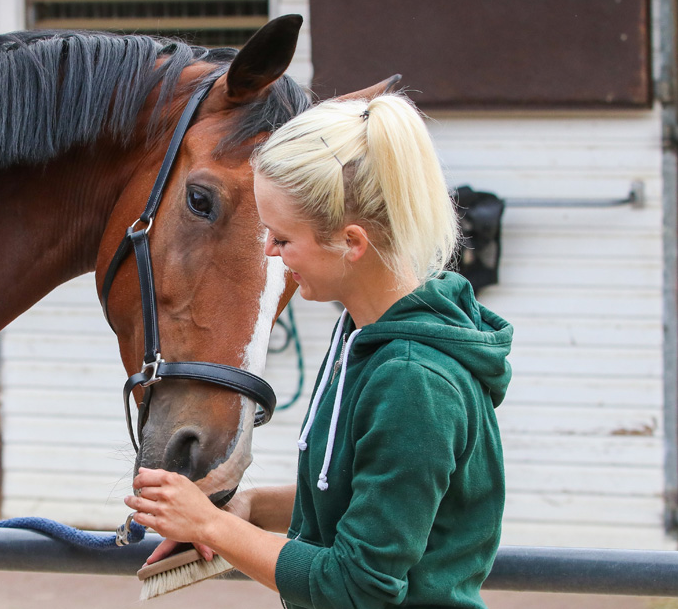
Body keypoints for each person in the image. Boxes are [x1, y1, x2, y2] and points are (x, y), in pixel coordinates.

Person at [124, 93, 512, 609]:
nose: (269, 252)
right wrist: (251, 507)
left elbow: (357, 586)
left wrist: (210, 526)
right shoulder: (362, 335)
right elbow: (365, 498)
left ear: (350, 242)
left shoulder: (414, 380)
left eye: (282, 238)